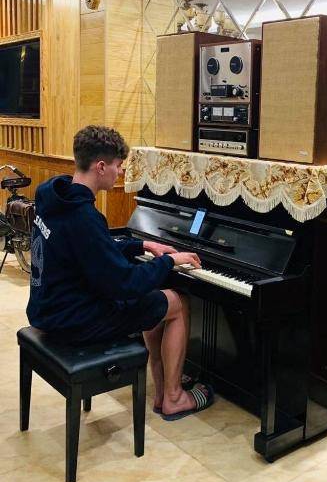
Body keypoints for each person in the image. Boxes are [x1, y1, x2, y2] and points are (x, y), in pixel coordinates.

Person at [26, 125, 212, 421]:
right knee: (177, 303)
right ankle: (174, 397)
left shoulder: (54, 196)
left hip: (46, 308)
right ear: (101, 167)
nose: (121, 172)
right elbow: (124, 284)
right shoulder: (83, 216)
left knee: (153, 298)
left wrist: (141, 244)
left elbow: (91, 250)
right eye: (118, 165)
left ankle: (163, 386)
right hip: (73, 321)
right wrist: (169, 262)